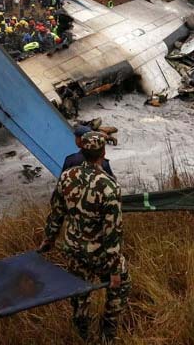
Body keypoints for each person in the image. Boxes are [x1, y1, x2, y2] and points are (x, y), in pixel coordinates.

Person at [39, 131, 130, 343]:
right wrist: (115, 270)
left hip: (73, 250)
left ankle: (83, 335)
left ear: (82, 150)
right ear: (103, 152)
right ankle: (108, 333)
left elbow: (56, 213)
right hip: (99, 254)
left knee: (80, 295)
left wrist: (48, 239)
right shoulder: (109, 186)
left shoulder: (67, 177)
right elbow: (112, 231)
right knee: (121, 286)